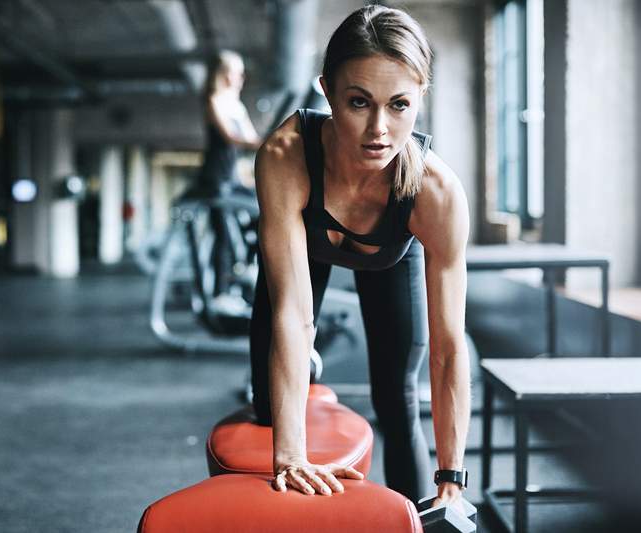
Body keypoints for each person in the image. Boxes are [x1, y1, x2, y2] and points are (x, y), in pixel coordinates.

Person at [249, 4, 471, 510]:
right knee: (269, 408)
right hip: (304, 252)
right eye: (357, 102)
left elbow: (448, 347)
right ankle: (308, 369)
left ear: (421, 97)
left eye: (399, 105)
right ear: (326, 91)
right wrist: (291, 456)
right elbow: (293, 314)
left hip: (390, 259)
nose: (378, 129)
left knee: (397, 398)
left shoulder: (436, 192)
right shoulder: (285, 156)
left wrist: (452, 478)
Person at [194, 50, 261, 298]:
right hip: (215, 177)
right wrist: (264, 143)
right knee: (222, 235)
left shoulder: (237, 105)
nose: (241, 78)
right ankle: (219, 294)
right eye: (237, 72)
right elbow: (233, 138)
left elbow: (252, 138)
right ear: (223, 74)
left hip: (232, 177)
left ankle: (245, 270)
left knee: (263, 216)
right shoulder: (214, 100)